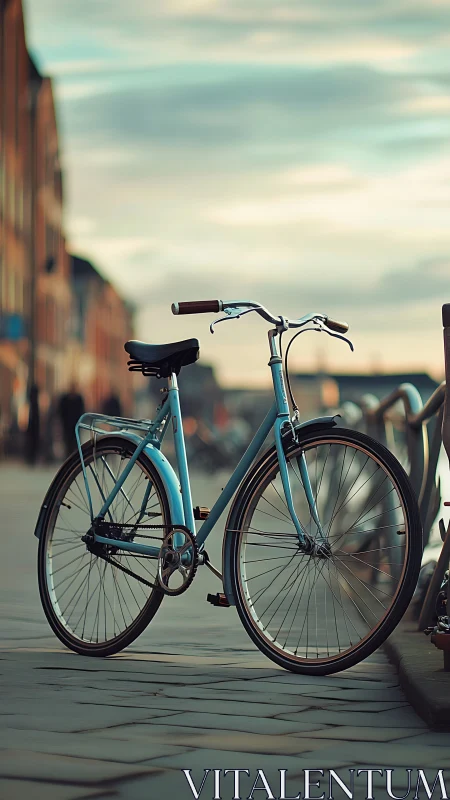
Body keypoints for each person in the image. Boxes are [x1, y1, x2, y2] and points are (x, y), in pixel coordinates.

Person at [58, 382, 85, 458]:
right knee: (67, 443)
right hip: (67, 425)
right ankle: (68, 458)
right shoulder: (65, 399)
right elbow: (61, 411)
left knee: (75, 442)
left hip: (76, 424)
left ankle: (75, 458)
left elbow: (82, 411)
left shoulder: (79, 399)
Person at [25, 384, 40, 465]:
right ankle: (31, 458)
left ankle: (31, 458)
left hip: (32, 425)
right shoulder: (34, 405)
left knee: (31, 441)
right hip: (33, 425)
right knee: (33, 441)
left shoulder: (32, 404)